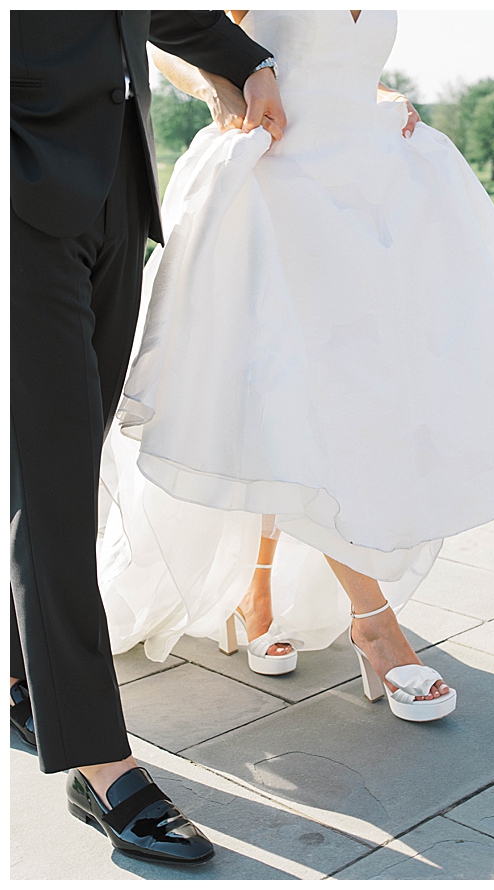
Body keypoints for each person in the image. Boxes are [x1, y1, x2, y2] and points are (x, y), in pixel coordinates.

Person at [99, 10, 494, 723]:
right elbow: (166, 30)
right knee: (298, 397)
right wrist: (220, 85)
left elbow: (334, 60)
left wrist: (380, 93)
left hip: (369, 187)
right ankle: (374, 624)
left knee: (342, 403)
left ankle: (258, 592)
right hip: (276, 181)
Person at [10, 9, 287, 866]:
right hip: (20, 191)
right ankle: (99, 763)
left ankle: (23, 672)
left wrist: (246, 61)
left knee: (59, 460)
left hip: (115, 186)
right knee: (53, 487)